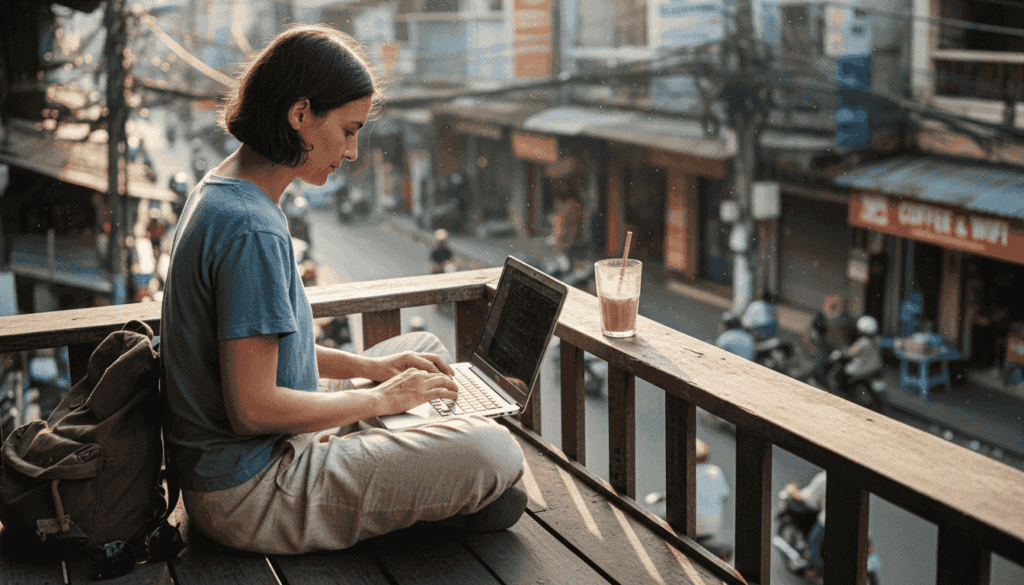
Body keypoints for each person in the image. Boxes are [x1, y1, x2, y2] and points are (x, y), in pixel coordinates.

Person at [160, 24, 526, 556]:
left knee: (420, 351)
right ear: (300, 114)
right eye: (349, 130)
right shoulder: (251, 227)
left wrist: (374, 369)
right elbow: (252, 408)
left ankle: (403, 457)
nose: (352, 151)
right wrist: (379, 397)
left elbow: (262, 356)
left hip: (253, 460)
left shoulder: (223, 189)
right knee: (497, 453)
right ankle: (411, 463)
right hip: (251, 490)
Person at [785, 471, 827, 578]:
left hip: (826, 520)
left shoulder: (824, 478)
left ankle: (819, 570)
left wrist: (793, 491)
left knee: (813, 543)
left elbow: (809, 499)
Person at [840, 315, 883, 388]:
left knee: (844, 372)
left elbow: (851, 353)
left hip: (861, 370)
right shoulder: (877, 339)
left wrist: (843, 351)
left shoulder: (862, 342)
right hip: (876, 368)